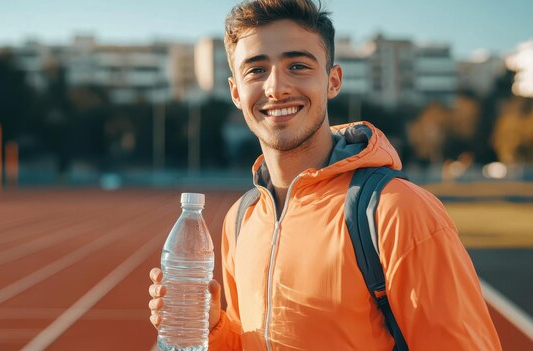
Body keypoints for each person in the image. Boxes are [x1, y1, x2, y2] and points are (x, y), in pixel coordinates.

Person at [149, 0, 502, 349]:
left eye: (298, 65)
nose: (276, 87)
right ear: (236, 92)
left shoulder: (397, 211)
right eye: (256, 70)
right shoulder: (240, 220)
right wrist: (213, 326)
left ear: (333, 81)